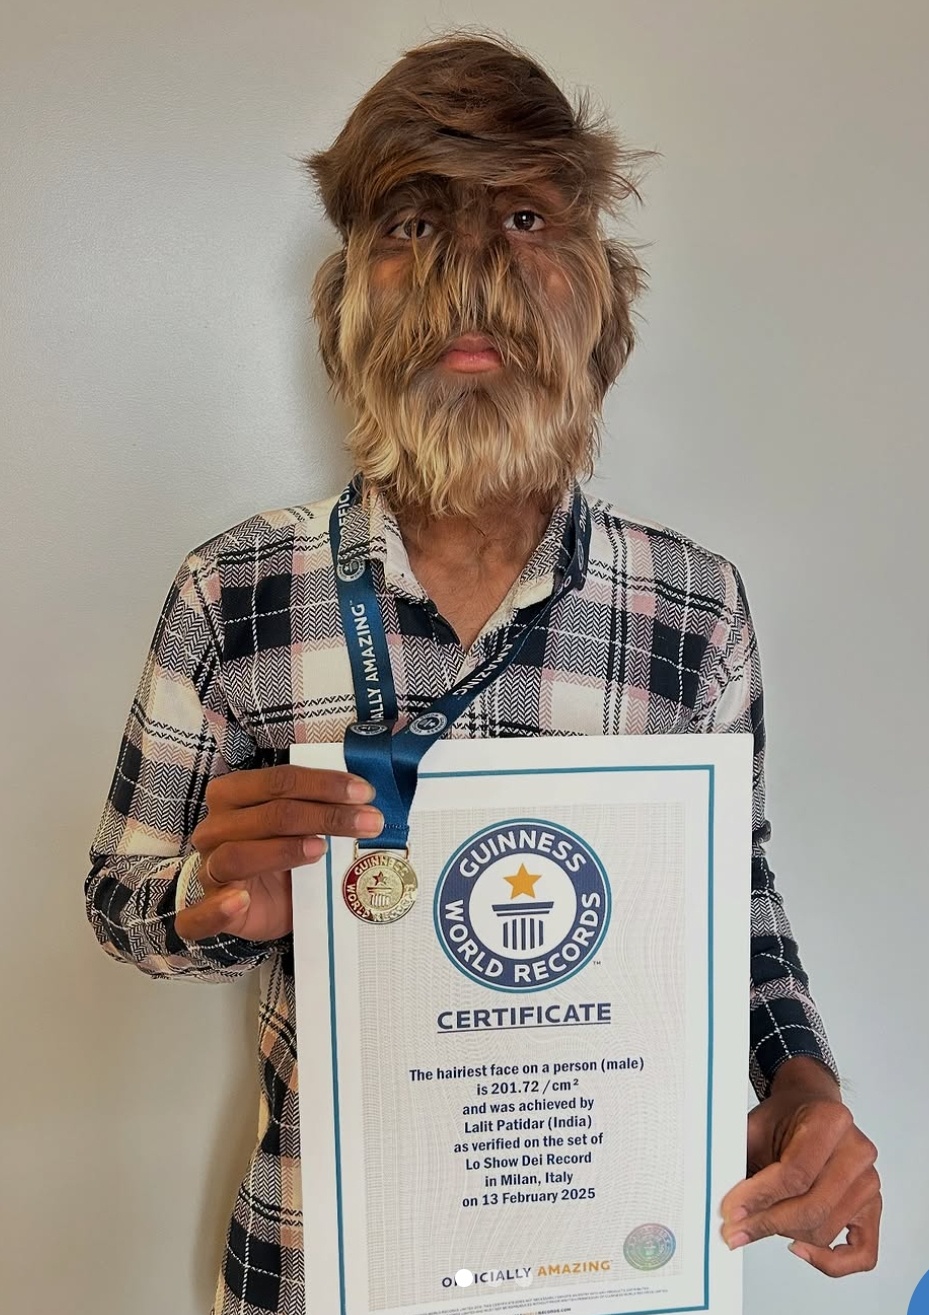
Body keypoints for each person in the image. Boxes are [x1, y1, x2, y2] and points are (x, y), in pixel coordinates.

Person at [86, 33, 881, 1315]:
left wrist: (800, 1081)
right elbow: (120, 902)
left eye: (523, 219)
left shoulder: (693, 609)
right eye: (412, 225)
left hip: (604, 1264)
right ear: (345, 301)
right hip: (316, 1267)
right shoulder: (232, 594)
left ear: (601, 299)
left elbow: (733, 890)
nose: (470, 281)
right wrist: (209, 900)